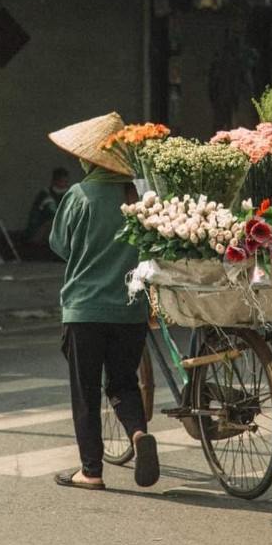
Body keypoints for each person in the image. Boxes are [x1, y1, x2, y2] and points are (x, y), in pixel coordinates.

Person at [47, 112, 159, 491]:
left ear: (89, 159)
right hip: (131, 311)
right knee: (124, 383)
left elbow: (59, 245)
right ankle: (138, 433)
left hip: (84, 310)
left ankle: (91, 471)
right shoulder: (139, 197)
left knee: (86, 391)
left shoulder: (78, 196)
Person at [24, 167, 70, 244]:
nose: (63, 184)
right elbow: (35, 219)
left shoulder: (70, 195)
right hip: (42, 234)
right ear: (54, 181)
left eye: (65, 182)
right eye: (60, 181)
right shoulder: (44, 195)